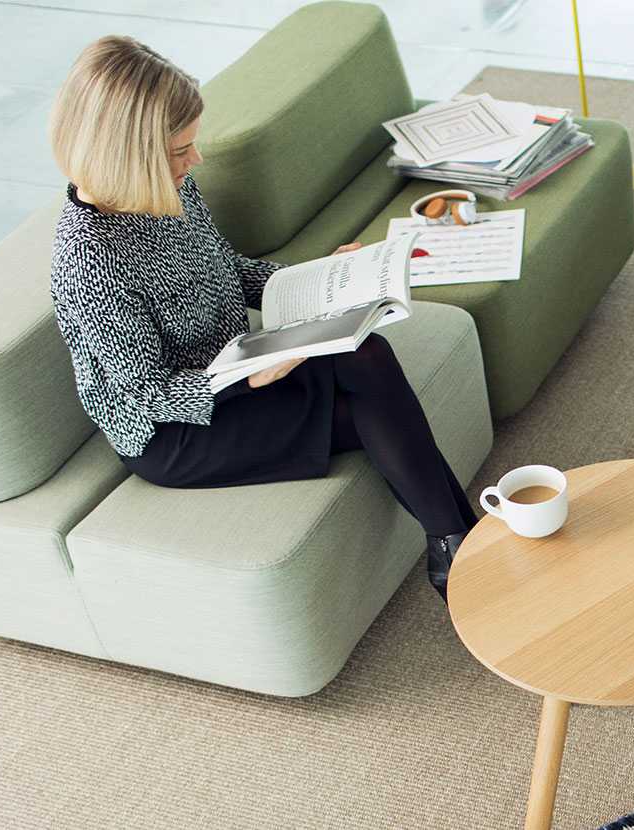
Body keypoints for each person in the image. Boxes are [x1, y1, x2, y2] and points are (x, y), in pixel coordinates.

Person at [46, 36, 475, 601]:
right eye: (181, 150)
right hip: (180, 431)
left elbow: (225, 267)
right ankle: (461, 552)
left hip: (243, 367)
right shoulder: (89, 260)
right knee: (369, 406)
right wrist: (247, 377)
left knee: (366, 350)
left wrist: (320, 278)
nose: (194, 161)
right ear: (129, 152)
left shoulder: (165, 187)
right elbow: (143, 398)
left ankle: (455, 544)